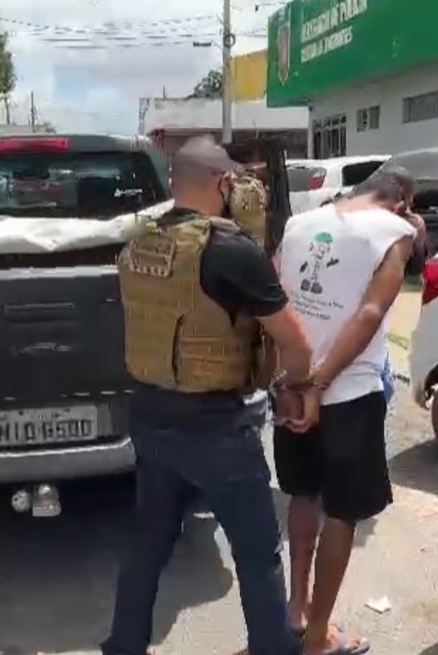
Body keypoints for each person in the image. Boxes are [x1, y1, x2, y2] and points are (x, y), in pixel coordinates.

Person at [103, 135, 314, 655]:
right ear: (224, 184)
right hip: (215, 426)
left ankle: (124, 644)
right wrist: (296, 389)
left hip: (151, 417)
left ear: (174, 184)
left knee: (149, 544)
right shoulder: (231, 250)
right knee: (258, 553)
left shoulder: (139, 241)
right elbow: (295, 342)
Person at [273, 169, 418, 655]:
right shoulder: (393, 232)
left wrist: (294, 379)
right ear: (401, 203)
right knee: (342, 512)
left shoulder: (299, 224)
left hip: (290, 386)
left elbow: (277, 293)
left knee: (300, 493)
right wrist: (320, 384)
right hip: (347, 395)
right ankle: (317, 636)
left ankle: (295, 608)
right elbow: (372, 313)